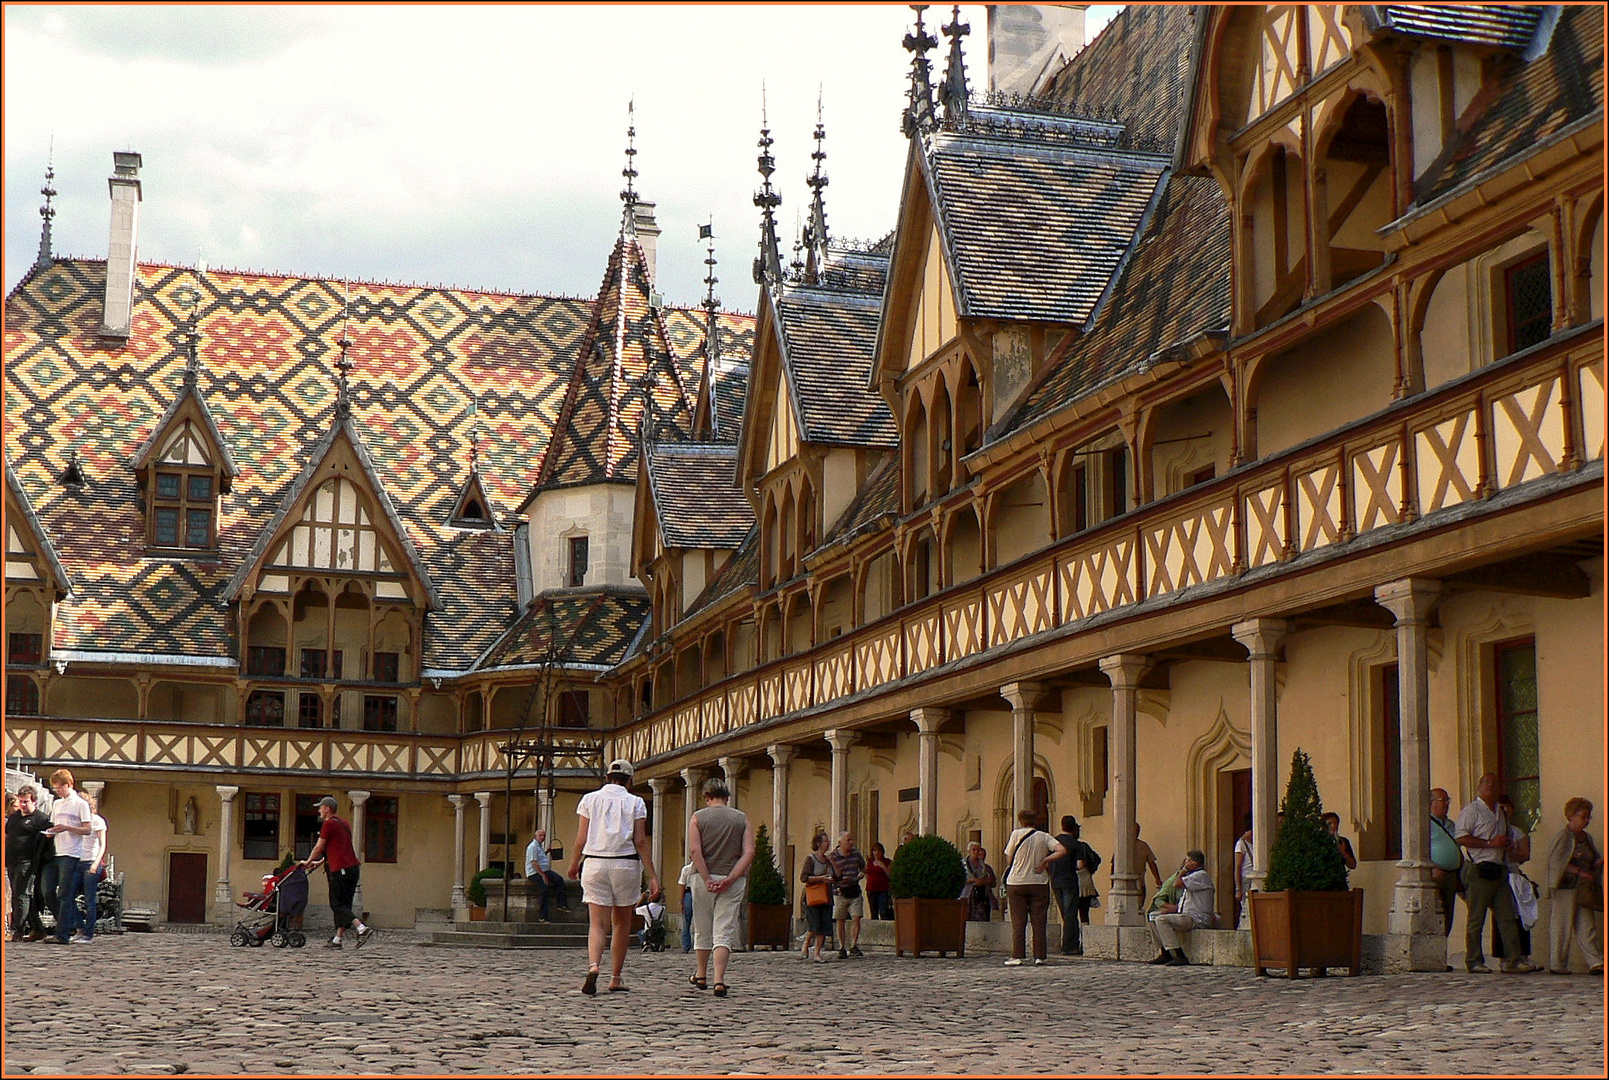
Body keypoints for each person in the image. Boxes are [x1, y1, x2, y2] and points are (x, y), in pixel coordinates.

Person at [568, 758, 660, 995]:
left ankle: (594, 965)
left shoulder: (589, 799)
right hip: (625, 864)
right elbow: (640, 841)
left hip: (594, 862)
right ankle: (615, 978)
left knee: (597, 924)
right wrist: (653, 875)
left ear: (608, 777)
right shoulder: (636, 802)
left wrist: (573, 864)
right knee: (621, 923)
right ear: (629, 780)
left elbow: (580, 838)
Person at [1454, 773, 1534, 973]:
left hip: (1500, 869)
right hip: (1480, 868)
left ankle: (1513, 959)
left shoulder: (1501, 812)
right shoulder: (1471, 810)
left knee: (1507, 916)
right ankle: (1473, 959)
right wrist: (1489, 843)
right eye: (1486, 783)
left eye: (1494, 783)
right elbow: (1462, 837)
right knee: (1476, 917)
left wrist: (1505, 844)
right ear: (1479, 787)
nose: (1490, 786)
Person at [687, 776, 755, 997]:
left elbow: (696, 852)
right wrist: (730, 879)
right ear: (727, 797)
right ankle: (719, 979)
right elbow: (749, 853)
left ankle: (701, 973)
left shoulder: (697, 818)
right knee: (724, 930)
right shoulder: (741, 819)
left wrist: (707, 878)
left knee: (702, 927)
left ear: (707, 796)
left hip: (703, 879)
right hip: (731, 879)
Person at [301, 795, 374, 949]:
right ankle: (337, 939)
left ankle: (361, 928)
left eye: (320, 807)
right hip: (352, 868)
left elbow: (319, 847)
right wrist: (320, 862)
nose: (319, 810)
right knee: (345, 904)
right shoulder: (344, 823)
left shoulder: (328, 825)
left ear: (327, 809)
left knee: (337, 904)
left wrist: (307, 862)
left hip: (341, 870)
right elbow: (337, 848)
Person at [1544, 797, 1603, 975]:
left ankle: (1595, 961)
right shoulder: (1563, 836)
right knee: (1561, 925)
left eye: (1588, 817)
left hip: (1583, 889)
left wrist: (1597, 864)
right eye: (1583, 816)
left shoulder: (1586, 838)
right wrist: (1577, 871)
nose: (1586, 820)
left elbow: (1592, 858)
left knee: (1587, 924)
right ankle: (1557, 963)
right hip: (1565, 887)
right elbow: (1556, 862)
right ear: (1571, 816)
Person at [1001, 809, 1065, 966]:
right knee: (1039, 920)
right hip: (1039, 882)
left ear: (1021, 821)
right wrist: (1044, 861)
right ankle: (1039, 956)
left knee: (1018, 921)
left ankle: (1017, 955)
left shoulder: (1016, 834)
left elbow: (1009, 859)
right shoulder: (1044, 836)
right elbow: (1061, 850)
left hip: (1016, 882)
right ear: (1035, 821)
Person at [42, 769, 91, 945]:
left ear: (68, 785)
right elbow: (55, 825)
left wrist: (68, 828)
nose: (58, 791)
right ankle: (67, 923)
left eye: (60, 788)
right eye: (55, 789)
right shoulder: (57, 804)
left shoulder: (80, 804)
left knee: (64, 893)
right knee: (47, 890)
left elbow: (87, 829)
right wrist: (51, 832)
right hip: (55, 850)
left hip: (70, 853)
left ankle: (62, 934)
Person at [1488, 794, 1536, 968]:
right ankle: (1504, 957)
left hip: (1514, 876)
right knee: (1501, 916)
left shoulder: (1516, 832)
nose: (1504, 810)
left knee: (1521, 914)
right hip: (1497, 876)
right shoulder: (1491, 831)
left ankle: (1522, 956)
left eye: (1507, 807)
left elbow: (1525, 855)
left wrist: (1509, 853)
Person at [1148, 850, 1214, 967]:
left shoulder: (1201, 875)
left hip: (1196, 917)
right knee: (1153, 917)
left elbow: (1176, 884)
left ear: (1195, 863)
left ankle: (1179, 955)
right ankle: (1164, 952)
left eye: (1188, 860)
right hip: (1187, 915)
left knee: (1161, 920)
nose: (1185, 863)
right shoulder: (1194, 876)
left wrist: (1183, 870)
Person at [5, 785, 53, 942]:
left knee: (21, 895)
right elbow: (7, 835)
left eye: (25, 801)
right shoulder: (14, 817)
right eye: (20, 801)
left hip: (28, 862)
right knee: (21, 896)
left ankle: (17, 931)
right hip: (12, 860)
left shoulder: (41, 819)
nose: (22, 805)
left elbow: (48, 841)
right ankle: (38, 929)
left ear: (34, 801)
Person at [1050, 816, 1091, 955]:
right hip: (1069, 881)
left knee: (1064, 913)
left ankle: (1068, 944)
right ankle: (1070, 946)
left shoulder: (1054, 841)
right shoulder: (1075, 844)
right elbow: (1079, 865)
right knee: (1070, 913)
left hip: (1055, 881)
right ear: (1073, 827)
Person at [71, 794, 108, 943]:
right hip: (77, 861)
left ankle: (88, 934)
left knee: (89, 900)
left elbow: (103, 844)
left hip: (91, 861)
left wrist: (96, 863)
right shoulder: (77, 821)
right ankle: (80, 927)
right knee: (67, 896)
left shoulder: (97, 821)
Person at [1429, 788, 1464, 941]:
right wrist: (1431, 867)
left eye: (1448, 800)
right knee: (1434, 915)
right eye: (1443, 800)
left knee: (1448, 914)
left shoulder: (1451, 824)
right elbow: (1417, 849)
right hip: (1435, 875)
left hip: (1451, 875)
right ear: (1431, 803)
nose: (1447, 804)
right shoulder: (1425, 824)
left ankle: (1442, 956)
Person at [827, 831, 867, 959]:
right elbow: (829, 874)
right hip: (840, 892)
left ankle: (853, 945)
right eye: (848, 840)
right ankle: (841, 946)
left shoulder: (856, 853)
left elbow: (863, 866)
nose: (851, 843)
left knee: (856, 917)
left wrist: (862, 874)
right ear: (840, 842)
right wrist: (836, 880)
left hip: (854, 890)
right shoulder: (833, 856)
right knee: (840, 919)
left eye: (851, 840)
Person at [799, 832, 835, 962]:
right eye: (826, 841)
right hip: (813, 897)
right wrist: (821, 879)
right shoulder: (811, 859)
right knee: (814, 925)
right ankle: (807, 942)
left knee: (824, 926)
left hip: (826, 896)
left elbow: (837, 876)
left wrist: (833, 866)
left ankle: (817, 953)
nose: (828, 843)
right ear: (818, 843)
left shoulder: (829, 860)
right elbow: (804, 877)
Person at [524, 827, 570, 922]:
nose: (542, 837)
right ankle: (543, 917)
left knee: (559, 879)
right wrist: (542, 875)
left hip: (544, 870)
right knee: (544, 889)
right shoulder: (532, 847)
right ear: (536, 836)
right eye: (540, 835)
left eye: (544, 835)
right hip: (534, 873)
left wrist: (547, 852)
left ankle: (561, 904)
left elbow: (539, 858)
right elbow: (534, 862)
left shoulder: (539, 846)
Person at [962, 842, 997, 923]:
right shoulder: (963, 865)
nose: (976, 852)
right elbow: (959, 880)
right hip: (968, 897)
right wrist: (972, 880)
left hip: (982, 898)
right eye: (974, 850)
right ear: (969, 851)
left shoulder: (985, 867)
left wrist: (985, 881)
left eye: (978, 850)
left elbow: (993, 882)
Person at [1132, 823, 1162, 906]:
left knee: (1139, 905)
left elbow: (1151, 863)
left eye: (1138, 831)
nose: (1137, 833)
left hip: (1140, 881)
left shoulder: (1143, 846)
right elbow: (1114, 864)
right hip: (1126, 882)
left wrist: (1157, 880)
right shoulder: (1123, 845)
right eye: (1135, 831)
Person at [1232, 814, 1253, 931]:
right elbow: (1238, 867)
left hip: (1253, 878)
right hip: (1246, 880)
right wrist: (1238, 889)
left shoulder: (1256, 844)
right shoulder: (1241, 844)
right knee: (1246, 909)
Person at [864, 842, 892, 921]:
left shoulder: (887, 862)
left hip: (883, 890)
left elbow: (890, 875)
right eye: (874, 851)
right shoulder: (869, 862)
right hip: (871, 889)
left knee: (883, 911)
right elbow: (867, 873)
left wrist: (883, 866)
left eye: (879, 851)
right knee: (873, 912)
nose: (876, 853)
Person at [677, 861, 697, 952]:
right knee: (686, 920)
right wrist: (681, 901)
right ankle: (686, 946)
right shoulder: (686, 869)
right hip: (689, 893)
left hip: (701, 892)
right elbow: (682, 885)